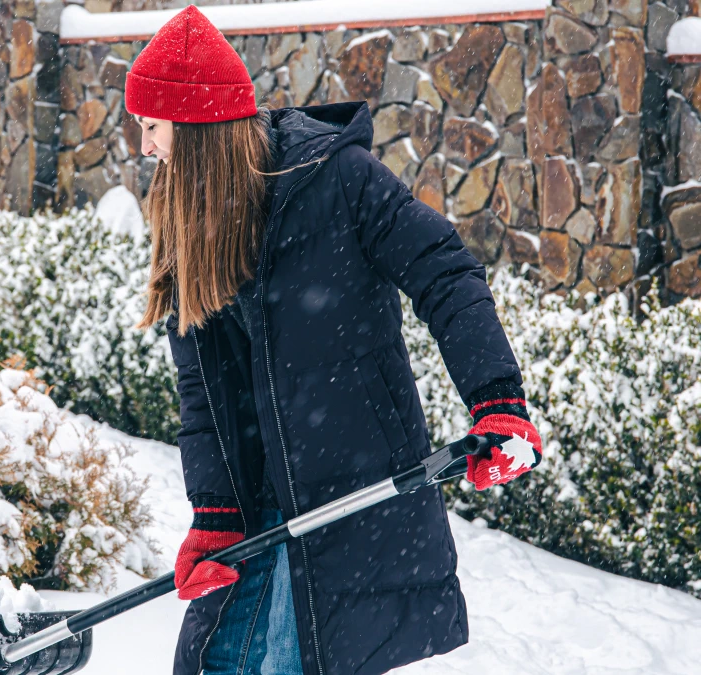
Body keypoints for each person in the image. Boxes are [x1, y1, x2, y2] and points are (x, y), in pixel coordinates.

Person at [125, 7, 543, 675]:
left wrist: (497, 399)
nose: (144, 146)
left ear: (196, 127)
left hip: (352, 501)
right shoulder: (187, 219)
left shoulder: (339, 182)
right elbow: (202, 392)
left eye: (150, 127)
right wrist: (214, 510)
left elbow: (445, 270)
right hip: (261, 516)